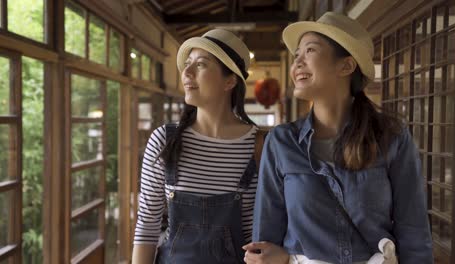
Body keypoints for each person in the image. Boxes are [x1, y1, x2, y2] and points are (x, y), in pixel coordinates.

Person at [243, 12, 433, 264]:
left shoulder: (391, 137)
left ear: (346, 65)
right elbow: (263, 244)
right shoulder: (281, 142)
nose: (297, 63)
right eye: (296, 54)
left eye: (309, 50)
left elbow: (414, 233)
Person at [132, 29, 265, 264]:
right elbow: (147, 224)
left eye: (201, 64)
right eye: (187, 64)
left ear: (230, 80)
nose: (187, 72)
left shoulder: (259, 146)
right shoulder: (165, 139)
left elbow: (257, 234)